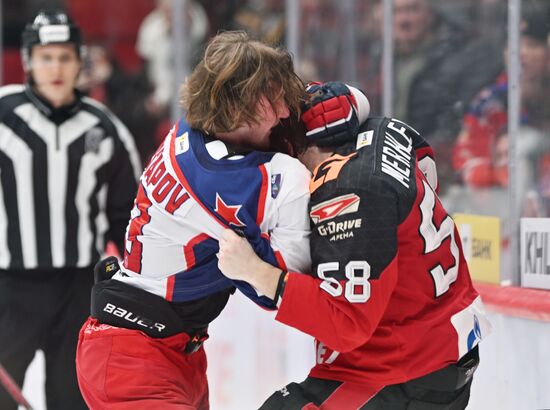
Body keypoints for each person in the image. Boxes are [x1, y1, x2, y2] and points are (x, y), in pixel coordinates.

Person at [218, 81, 492, 409]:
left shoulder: (345, 191)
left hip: (403, 373)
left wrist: (254, 271)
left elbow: (346, 323)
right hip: (435, 345)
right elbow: (424, 173)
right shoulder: (387, 130)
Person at [75, 30, 312, 409]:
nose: (285, 112)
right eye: (274, 98)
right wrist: (251, 264)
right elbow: (282, 291)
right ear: (239, 106)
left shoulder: (192, 129)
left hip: (160, 348)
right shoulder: (246, 180)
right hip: (134, 359)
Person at [0, 9, 141, 410]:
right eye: (46, 57)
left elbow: (127, 219)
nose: (56, 67)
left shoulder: (105, 128)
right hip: (10, 288)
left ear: (80, 61)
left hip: (78, 290)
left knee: (73, 397)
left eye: (65, 56)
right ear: (28, 62)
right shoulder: (4, 115)